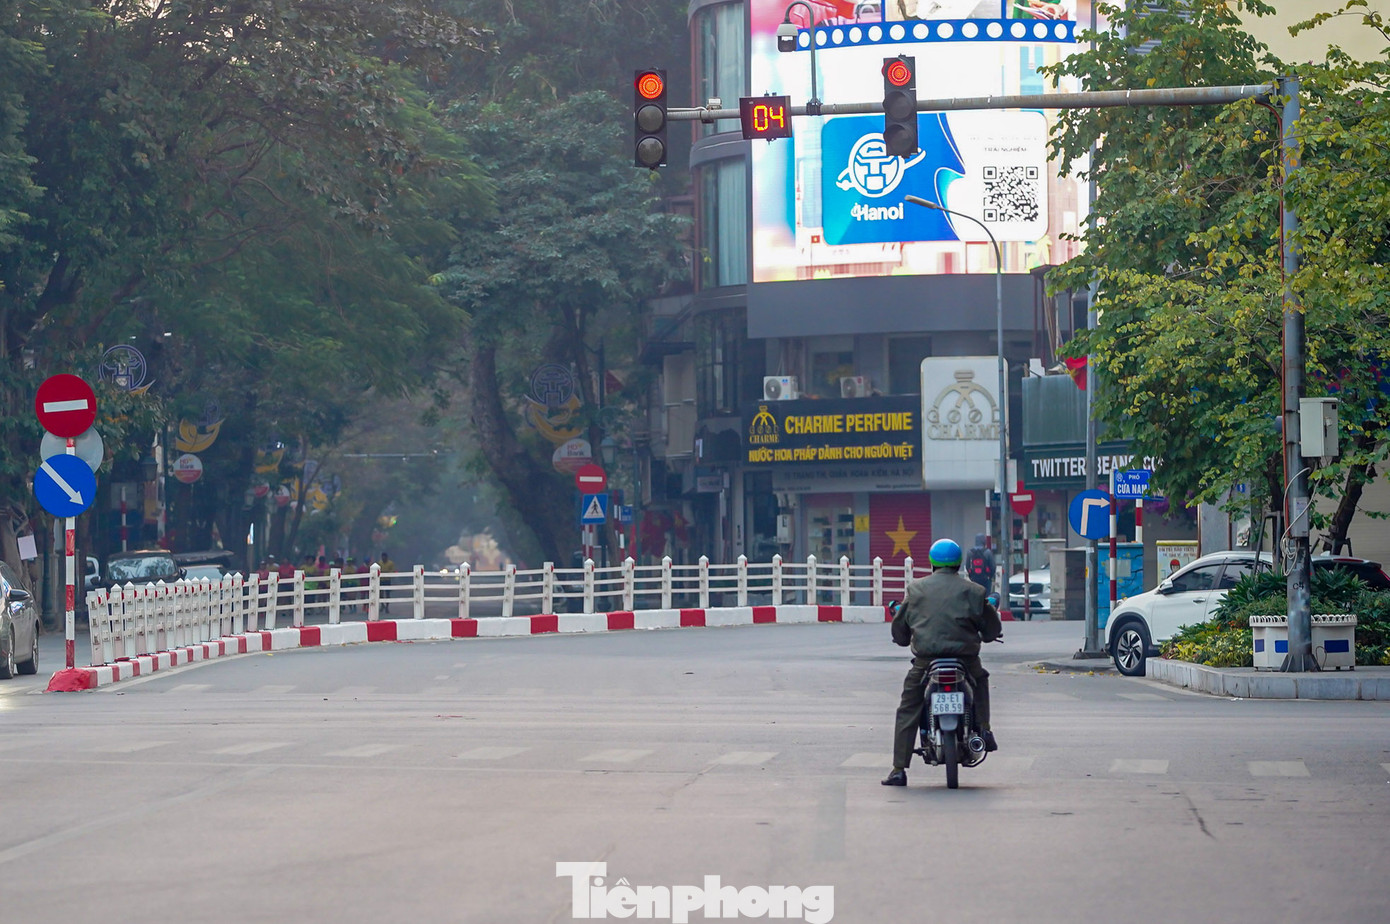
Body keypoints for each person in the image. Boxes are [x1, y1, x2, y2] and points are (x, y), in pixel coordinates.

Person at [882, 538, 1002, 787]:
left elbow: (900, 632)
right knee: (980, 681)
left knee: (908, 708)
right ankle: (985, 731)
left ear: (932, 562)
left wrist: (903, 637)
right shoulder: (975, 591)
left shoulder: (916, 590)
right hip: (966, 661)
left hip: (926, 662)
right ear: (960, 563)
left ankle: (898, 770)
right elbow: (991, 631)